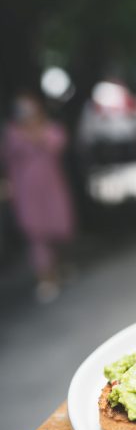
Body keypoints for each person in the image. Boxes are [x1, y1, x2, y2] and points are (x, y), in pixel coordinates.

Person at [1, 92, 75, 302]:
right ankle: (46, 278)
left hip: (52, 189)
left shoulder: (51, 129)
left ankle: (60, 268)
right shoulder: (12, 134)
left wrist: (38, 132)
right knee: (36, 236)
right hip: (27, 193)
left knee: (60, 230)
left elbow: (58, 144)